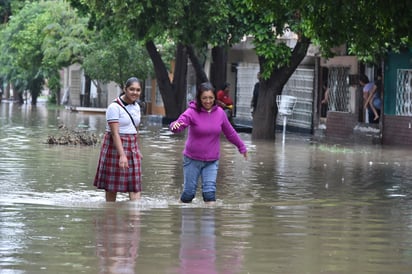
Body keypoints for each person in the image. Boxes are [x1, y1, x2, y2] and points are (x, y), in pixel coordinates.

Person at [169, 82, 248, 204]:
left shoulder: (220, 113)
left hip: (211, 161)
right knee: (189, 194)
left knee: (209, 195)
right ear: (199, 99)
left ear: (215, 98)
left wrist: (241, 147)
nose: (208, 101)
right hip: (192, 159)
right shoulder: (192, 112)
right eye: (204, 98)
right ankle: (183, 215)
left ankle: (208, 221)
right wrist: (175, 126)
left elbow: (230, 133)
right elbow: (179, 124)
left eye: (211, 98)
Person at [93, 77, 143, 202]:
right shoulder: (114, 107)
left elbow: (135, 128)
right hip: (115, 146)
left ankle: (134, 216)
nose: (135, 93)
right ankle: (110, 214)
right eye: (132, 89)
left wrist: (137, 149)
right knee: (112, 186)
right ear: (125, 89)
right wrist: (122, 155)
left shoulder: (137, 106)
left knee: (135, 185)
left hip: (132, 146)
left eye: (138, 90)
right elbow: (115, 134)